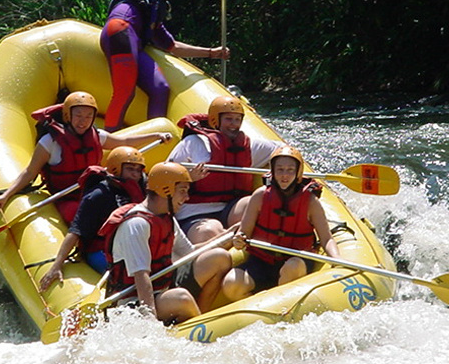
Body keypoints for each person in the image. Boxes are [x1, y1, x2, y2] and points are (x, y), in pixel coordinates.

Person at [0, 91, 171, 222]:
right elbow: (29, 172)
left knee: (128, 201)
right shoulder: (49, 142)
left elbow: (125, 140)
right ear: (68, 115)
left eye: (88, 116)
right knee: (79, 215)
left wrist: (156, 136)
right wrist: (6, 195)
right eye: (78, 115)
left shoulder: (96, 136)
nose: (83, 121)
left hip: (95, 191)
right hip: (67, 197)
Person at [101, 0, 230, 132]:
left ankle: (155, 137)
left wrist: (211, 53)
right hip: (119, 30)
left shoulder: (152, 16)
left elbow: (173, 46)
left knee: (160, 88)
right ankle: (109, 140)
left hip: (132, 42)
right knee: (125, 91)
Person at [98, 162, 232, 323]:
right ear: (165, 190)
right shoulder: (136, 224)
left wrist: (227, 237)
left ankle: (201, 316)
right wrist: (150, 321)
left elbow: (189, 253)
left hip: (163, 287)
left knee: (219, 257)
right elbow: (142, 277)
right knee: (181, 298)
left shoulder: (164, 217)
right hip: (131, 302)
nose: (186, 198)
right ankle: (201, 326)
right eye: (182, 191)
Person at [221, 146, 341, 301]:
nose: (285, 175)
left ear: (298, 173)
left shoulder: (311, 202)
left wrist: (337, 259)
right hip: (262, 261)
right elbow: (243, 234)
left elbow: (326, 239)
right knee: (231, 284)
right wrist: (238, 240)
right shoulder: (260, 196)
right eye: (280, 169)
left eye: (290, 170)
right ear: (273, 171)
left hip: (296, 259)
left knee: (292, 267)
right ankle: (258, 308)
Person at [168, 95, 281, 243]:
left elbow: (283, 151)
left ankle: (245, 244)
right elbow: (165, 176)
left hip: (230, 208)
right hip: (194, 213)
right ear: (215, 120)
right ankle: (225, 246)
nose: (234, 124)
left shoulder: (249, 146)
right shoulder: (193, 143)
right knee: (210, 230)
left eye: (237, 119)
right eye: (228, 119)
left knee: (253, 202)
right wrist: (188, 178)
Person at [39, 146, 147, 291]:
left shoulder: (140, 189)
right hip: (100, 250)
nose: (136, 175)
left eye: (138, 170)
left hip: (128, 246)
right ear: (115, 169)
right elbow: (76, 230)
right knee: (128, 277)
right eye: (130, 169)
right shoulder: (98, 195)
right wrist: (57, 264)